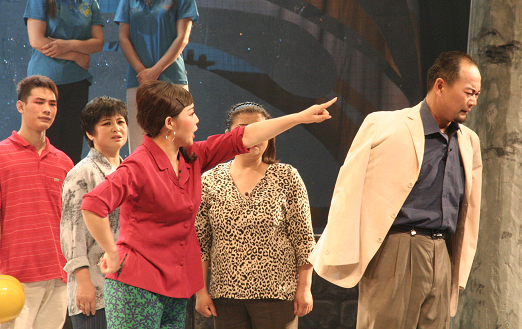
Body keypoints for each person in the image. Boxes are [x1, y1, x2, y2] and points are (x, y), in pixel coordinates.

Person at [80, 81, 335, 329]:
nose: (197, 121)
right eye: (191, 114)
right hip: (137, 285)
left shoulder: (191, 157)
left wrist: (300, 117)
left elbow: (244, 137)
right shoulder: (139, 166)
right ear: (170, 123)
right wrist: (112, 253)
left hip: (174, 287)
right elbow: (92, 204)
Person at [309, 51, 483, 329]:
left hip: (443, 253)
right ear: (440, 85)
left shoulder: (468, 141)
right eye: (468, 92)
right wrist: (342, 251)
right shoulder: (383, 125)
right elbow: (348, 188)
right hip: (398, 249)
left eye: (477, 94)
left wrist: (457, 265)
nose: (473, 101)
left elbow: (469, 210)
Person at [195, 102, 315, 328]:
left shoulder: (287, 176)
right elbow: (200, 243)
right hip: (226, 297)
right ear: (228, 135)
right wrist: (201, 292)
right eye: (243, 129)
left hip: (278, 295)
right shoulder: (209, 180)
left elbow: (304, 239)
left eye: (259, 129)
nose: (252, 136)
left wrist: (305, 287)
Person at [0, 75, 74, 329]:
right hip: (13, 279)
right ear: (20, 106)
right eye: (39, 102)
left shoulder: (64, 162)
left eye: (52, 104)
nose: (47, 109)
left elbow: (72, 221)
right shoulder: (2, 156)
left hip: (59, 276)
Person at [114, 0, 198, 153]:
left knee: (178, 142)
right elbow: (123, 38)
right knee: (139, 143)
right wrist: (143, 73)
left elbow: (182, 38)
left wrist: (155, 71)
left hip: (172, 80)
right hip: (139, 81)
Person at [23, 0, 104, 164]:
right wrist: (76, 55)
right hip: (45, 82)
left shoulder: (89, 1)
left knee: (72, 145)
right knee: (45, 144)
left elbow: (97, 42)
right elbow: (37, 40)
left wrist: (68, 46)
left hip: (77, 82)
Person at [60, 97, 128, 329]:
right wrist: (83, 280)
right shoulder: (82, 173)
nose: (116, 128)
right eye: (106, 123)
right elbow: (72, 232)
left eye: (120, 121)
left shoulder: (130, 170)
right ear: (90, 133)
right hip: (96, 289)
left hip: (129, 288)